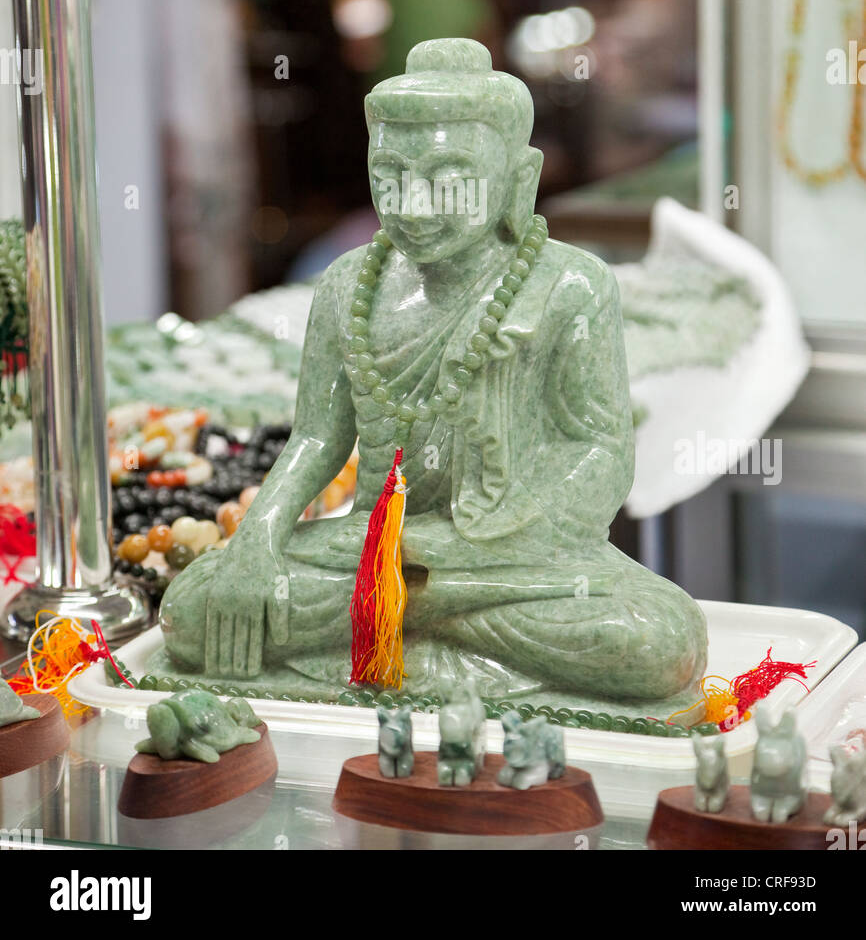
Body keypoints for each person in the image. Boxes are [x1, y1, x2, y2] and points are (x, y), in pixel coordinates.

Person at [159, 39, 706, 712]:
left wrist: (488, 538)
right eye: (390, 176)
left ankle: (398, 613)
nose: (414, 205)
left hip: (517, 561)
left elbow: (601, 454)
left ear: (518, 177)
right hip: (376, 544)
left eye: (449, 180)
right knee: (193, 611)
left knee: (658, 642)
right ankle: (404, 608)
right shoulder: (347, 286)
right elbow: (315, 439)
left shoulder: (569, 286)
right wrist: (260, 538)